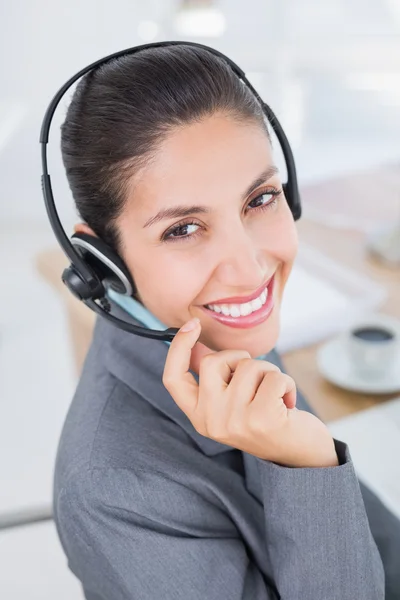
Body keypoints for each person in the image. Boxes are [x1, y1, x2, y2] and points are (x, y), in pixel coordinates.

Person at [52, 44, 398, 599]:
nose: (249, 268)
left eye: (260, 198)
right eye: (183, 229)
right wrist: (303, 462)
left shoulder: (222, 334)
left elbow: (376, 538)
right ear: (103, 264)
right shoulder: (114, 496)